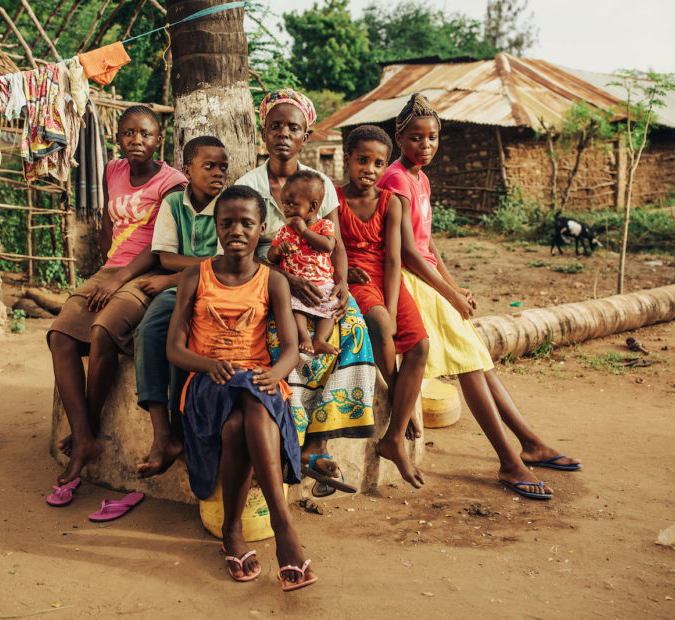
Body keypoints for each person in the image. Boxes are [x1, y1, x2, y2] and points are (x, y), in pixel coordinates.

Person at [377, 93, 582, 500]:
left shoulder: (421, 177)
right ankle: (510, 461)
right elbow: (409, 253)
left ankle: (528, 442)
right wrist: (449, 295)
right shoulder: (397, 178)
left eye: (433, 137)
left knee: (481, 363)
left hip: (430, 278)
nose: (426, 145)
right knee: (472, 364)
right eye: (416, 138)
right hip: (411, 282)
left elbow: (429, 243)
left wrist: (456, 286)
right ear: (399, 138)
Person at [167, 185, 317, 591]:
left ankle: (232, 531)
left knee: (241, 420)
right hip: (207, 382)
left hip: (256, 381)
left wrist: (277, 373)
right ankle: (283, 526)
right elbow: (175, 348)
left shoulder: (273, 281)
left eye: (246, 223)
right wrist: (209, 363)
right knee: (251, 392)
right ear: (215, 227)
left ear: (261, 228)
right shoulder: (193, 276)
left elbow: (289, 349)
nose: (236, 230)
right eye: (227, 222)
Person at [236, 89, 374, 494]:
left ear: (306, 135)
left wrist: (343, 283)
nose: (283, 134)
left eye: (292, 127)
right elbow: (241, 249)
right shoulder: (250, 186)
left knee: (353, 327)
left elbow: (337, 244)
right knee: (284, 339)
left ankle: (319, 444)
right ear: (263, 131)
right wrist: (286, 280)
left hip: (321, 285)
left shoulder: (320, 185)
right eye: (275, 125)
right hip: (268, 280)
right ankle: (292, 444)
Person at [47, 105, 187, 489]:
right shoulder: (112, 170)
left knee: (103, 332)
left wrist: (120, 279)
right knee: (59, 334)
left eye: (145, 134)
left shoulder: (172, 183)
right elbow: (108, 225)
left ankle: (83, 436)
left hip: (148, 273)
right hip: (111, 271)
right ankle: (86, 435)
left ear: (159, 139)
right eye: (129, 133)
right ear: (118, 136)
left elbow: (162, 243)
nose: (136, 141)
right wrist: (106, 272)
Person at [337, 126, 429, 488]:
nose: (369, 170)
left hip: (388, 279)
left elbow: (393, 260)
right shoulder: (334, 199)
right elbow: (330, 246)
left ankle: (393, 436)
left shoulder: (391, 201)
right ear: (347, 159)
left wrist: (392, 307)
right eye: (362, 160)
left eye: (378, 163)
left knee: (420, 345)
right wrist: (343, 273)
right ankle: (399, 405)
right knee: (377, 322)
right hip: (356, 281)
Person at [133, 135, 228, 478]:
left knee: (185, 341)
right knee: (149, 331)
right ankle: (162, 435)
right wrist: (180, 275)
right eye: (209, 166)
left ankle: (181, 431)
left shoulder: (228, 206)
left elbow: (225, 263)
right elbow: (166, 256)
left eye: (222, 167)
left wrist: (170, 279)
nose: (218, 173)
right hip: (182, 288)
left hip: (219, 291)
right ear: (187, 169)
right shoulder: (174, 203)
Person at [267, 170, 340, 356]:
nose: (287, 209)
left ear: (313, 206)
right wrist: (278, 250)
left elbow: (329, 246)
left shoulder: (324, 225)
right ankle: (304, 336)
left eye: (292, 204)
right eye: (284, 204)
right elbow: (270, 256)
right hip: (295, 285)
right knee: (292, 306)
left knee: (332, 307)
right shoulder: (285, 231)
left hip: (322, 282)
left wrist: (305, 232)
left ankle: (320, 340)